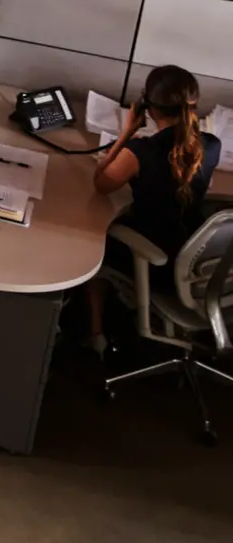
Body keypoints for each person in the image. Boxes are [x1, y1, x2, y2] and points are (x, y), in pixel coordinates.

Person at [82, 65, 222, 354]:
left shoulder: (139, 151)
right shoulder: (211, 145)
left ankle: (95, 333)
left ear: (148, 106)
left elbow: (101, 185)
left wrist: (126, 134)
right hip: (194, 259)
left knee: (93, 241)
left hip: (157, 261)